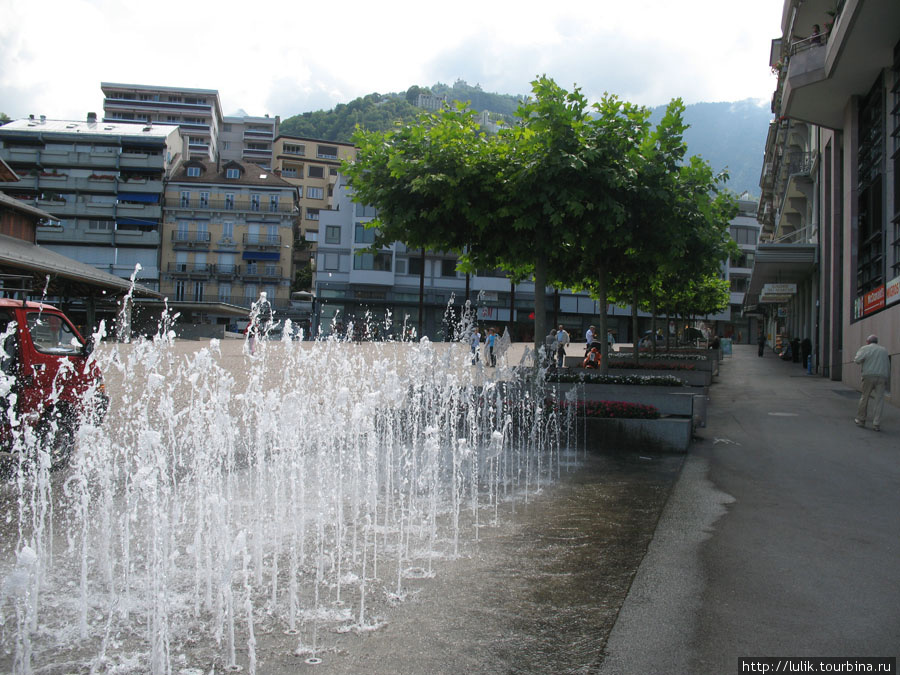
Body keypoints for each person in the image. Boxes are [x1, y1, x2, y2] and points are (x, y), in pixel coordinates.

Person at [853, 334, 890, 431]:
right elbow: (887, 364)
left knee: (865, 397)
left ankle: (861, 419)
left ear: (868, 342)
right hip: (882, 376)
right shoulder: (884, 350)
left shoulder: (865, 348)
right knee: (879, 400)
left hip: (869, 375)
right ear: (876, 342)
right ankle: (876, 423)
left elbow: (857, 360)